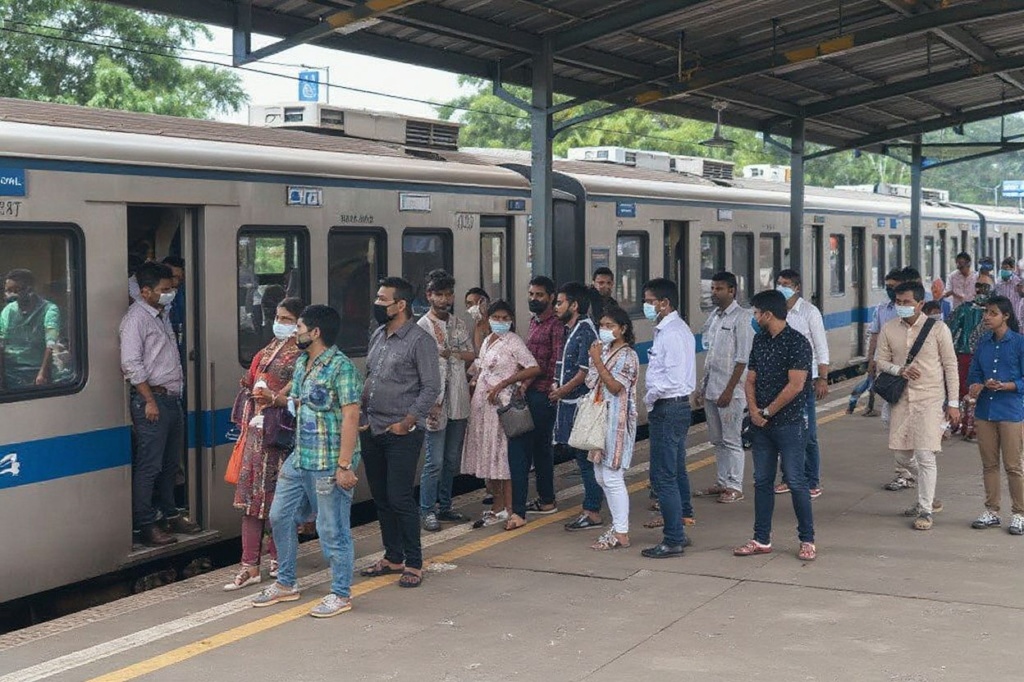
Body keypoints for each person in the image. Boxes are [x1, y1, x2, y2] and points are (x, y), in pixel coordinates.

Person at [252, 305, 363, 617]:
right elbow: (302, 401)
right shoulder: (303, 363)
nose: (295, 332)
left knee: (332, 530)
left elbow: (351, 415)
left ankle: (341, 594)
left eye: (299, 327)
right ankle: (286, 583)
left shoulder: (341, 368)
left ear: (316, 332)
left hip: (329, 462)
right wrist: (274, 399)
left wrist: (344, 465)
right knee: (280, 516)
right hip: (301, 457)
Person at [358, 277, 441, 589]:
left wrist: (408, 421)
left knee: (400, 497)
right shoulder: (378, 334)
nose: (377, 304)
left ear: (400, 305)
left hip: (401, 432)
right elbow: (371, 375)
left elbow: (431, 386)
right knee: (381, 497)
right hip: (373, 427)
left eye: (383, 299)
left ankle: (414, 562)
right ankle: (393, 556)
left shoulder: (420, 341)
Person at [224, 297, 304, 591]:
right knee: (250, 503)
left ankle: (279, 558)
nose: (279, 323)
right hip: (257, 435)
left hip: (280, 436)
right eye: (278, 317)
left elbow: (298, 391)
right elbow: (249, 380)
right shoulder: (268, 350)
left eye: (286, 318)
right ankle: (249, 565)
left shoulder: (302, 356)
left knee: (279, 503)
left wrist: (272, 397)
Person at [119, 262, 200, 547]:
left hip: (171, 399)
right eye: (165, 290)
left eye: (172, 288)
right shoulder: (136, 319)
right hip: (152, 401)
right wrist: (149, 400)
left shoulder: (160, 314)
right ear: (145, 291)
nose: (171, 293)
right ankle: (146, 524)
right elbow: (130, 364)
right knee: (149, 466)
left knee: (169, 464)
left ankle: (169, 513)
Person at [734, 289, 816, 561]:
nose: (755, 318)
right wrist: (755, 412)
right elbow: (750, 379)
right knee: (762, 482)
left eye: (757, 313)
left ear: (768, 314)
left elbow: (796, 385)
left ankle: (807, 539)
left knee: (795, 480)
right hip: (762, 425)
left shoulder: (798, 343)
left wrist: (766, 412)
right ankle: (761, 539)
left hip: (789, 424)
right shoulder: (760, 340)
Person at [876, 281, 960, 531]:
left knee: (925, 455)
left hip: (930, 400)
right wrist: (899, 370)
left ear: (920, 303)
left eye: (907, 303)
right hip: (901, 400)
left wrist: (953, 403)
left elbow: (950, 366)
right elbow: (880, 360)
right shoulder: (889, 329)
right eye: (898, 303)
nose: (901, 307)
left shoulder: (938, 329)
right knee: (902, 456)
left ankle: (925, 510)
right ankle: (929, 493)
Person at [462, 300, 540, 530]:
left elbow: (533, 367)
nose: (502, 322)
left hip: (502, 407)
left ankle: (511, 507)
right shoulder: (488, 340)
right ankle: (497, 507)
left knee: (504, 458)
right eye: (497, 318)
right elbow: (481, 366)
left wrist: (506, 383)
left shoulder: (513, 342)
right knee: (490, 458)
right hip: (484, 407)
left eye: (506, 318)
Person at [640, 278, 696, 558]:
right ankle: (680, 526)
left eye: (650, 301)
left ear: (665, 303)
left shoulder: (672, 333)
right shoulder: (672, 329)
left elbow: (672, 379)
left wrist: (648, 398)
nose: (647, 306)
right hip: (673, 408)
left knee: (663, 477)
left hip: (668, 407)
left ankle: (673, 538)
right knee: (675, 470)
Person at [418, 270, 474, 532]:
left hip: (458, 399)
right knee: (434, 461)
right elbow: (420, 367)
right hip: (435, 402)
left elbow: (471, 354)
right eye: (439, 294)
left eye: (448, 294)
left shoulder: (458, 323)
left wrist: (451, 353)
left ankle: (446, 506)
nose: (444, 299)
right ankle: (427, 510)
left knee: (451, 459)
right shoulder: (422, 327)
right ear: (429, 295)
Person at [966, 295, 1024, 535]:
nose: (986, 317)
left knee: (1013, 465)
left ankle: (1019, 513)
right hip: (985, 411)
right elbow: (973, 374)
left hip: (1010, 410)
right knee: (989, 464)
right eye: (985, 313)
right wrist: (977, 385)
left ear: (1006, 316)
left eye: (992, 313)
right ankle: (992, 510)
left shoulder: (1019, 343)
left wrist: (1006, 386)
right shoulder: (983, 343)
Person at [694, 272, 754, 504]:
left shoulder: (742, 318)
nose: (714, 293)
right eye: (713, 289)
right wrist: (703, 387)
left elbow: (742, 359)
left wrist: (729, 390)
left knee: (731, 439)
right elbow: (711, 356)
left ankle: (735, 485)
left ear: (732, 291)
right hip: (712, 388)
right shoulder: (715, 318)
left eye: (719, 289)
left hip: (732, 391)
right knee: (717, 440)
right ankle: (721, 482)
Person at [586, 305, 640, 550]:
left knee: (612, 476)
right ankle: (618, 527)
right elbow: (591, 381)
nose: (604, 330)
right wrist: (596, 360)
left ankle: (621, 532)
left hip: (616, 424)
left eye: (611, 326)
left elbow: (616, 387)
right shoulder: (605, 351)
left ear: (623, 329)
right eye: (602, 325)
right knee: (600, 475)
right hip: (599, 421)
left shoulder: (628, 356)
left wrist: (597, 361)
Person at [550, 282, 602, 531]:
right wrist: (555, 384)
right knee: (581, 458)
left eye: (559, 302)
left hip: (580, 404)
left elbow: (584, 371)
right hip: (569, 403)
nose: (556, 307)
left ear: (574, 305)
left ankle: (592, 510)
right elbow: (563, 364)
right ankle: (590, 507)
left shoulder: (585, 330)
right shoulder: (568, 329)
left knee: (585, 459)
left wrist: (561, 390)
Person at [774, 269, 829, 499]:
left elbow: (821, 347)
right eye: (778, 283)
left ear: (796, 288)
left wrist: (823, 378)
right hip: (780, 381)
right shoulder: (776, 311)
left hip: (805, 381)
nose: (781, 287)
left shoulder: (809, 312)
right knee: (784, 433)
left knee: (808, 434)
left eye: (785, 284)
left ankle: (812, 480)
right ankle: (788, 477)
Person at [522, 276, 564, 516]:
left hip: (543, 394)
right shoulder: (534, 322)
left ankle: (547, 499)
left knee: (541, 448)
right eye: (531, 294)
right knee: (535, 447)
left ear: (550, 297)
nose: (533, 299)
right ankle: (542, 496)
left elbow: (553, 363)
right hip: (530, 392)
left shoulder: (555, 325)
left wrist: (530, 383)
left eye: (539, 295)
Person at [947, 274, 994, 441]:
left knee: (983, 391)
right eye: (978, 286)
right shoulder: (964, 308)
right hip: (965, 355)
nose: (980, 289)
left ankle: (975, 426)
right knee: (963, 390)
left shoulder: (997, 311)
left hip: (989, 356)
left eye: (985, 286)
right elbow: (949, 331)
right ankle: (960, 422)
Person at [0, 268, 62, 390]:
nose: (10, 295)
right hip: (10, 373)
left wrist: (42, 374)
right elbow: (1, 342)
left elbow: (51, 344)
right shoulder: (8, 311)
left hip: (36, 372)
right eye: (7, 291)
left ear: (29, 290)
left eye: (15, 291)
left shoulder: (49, 310)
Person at [861, 270, 904, 422]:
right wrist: (871, 358)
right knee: (888, 392)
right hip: (885, 360)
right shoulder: (882, 309)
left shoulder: (908, 310)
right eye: (887, 286)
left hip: (903, 359)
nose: (889, 290)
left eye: (893, 286)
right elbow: (874, 334)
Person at [994, 257, 1024, 321]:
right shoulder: (999, 283)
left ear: (1012, 269)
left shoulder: (1018, 281)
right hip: (1003, 317)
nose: (1003, 270)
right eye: (1002, 268)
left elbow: (1022, 295)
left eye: (1006, 267)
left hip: (1015, 316)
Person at [465, 287, 491, 354]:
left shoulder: (495, 325)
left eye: (477, 302)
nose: (472, 307)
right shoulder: (474, 326)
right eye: (469, 304)